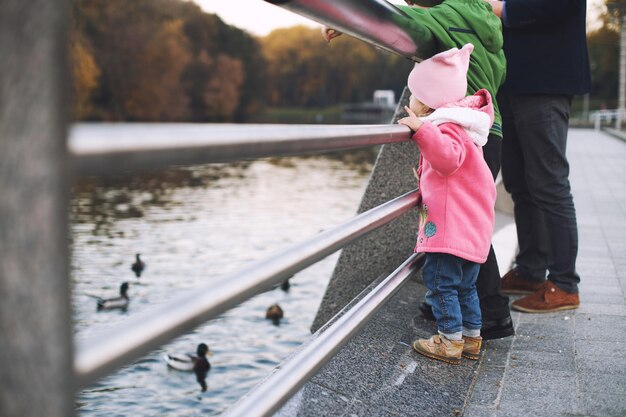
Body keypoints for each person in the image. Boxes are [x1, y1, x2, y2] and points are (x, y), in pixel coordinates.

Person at [322, 0, 514, 339]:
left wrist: (350, 16)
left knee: (463, 221)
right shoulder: (484, 20)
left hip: (459, 129)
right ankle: (461, 304)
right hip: (488, 126)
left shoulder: (443, 17)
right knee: (473, 217)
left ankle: (489, 312)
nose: (409, 2)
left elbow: (401, 23)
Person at [482, 0, 591, 312]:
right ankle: (531, 270)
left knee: (549, 182)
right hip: (513, 80)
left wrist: (505, 9)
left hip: (546, 78)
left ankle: (565, 284)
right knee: (519, 181)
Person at [397, 44, 497, 363]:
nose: (409, 102)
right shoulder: (462, 127)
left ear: (426, 103)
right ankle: (470, 338)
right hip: (469, 226)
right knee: (466, 287)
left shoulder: (444, 126)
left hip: (449, 229)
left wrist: (421, 131)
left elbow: (448, 159)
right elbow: (453, 170)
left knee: (441, 283)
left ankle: (449, 340)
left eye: (413, 95)